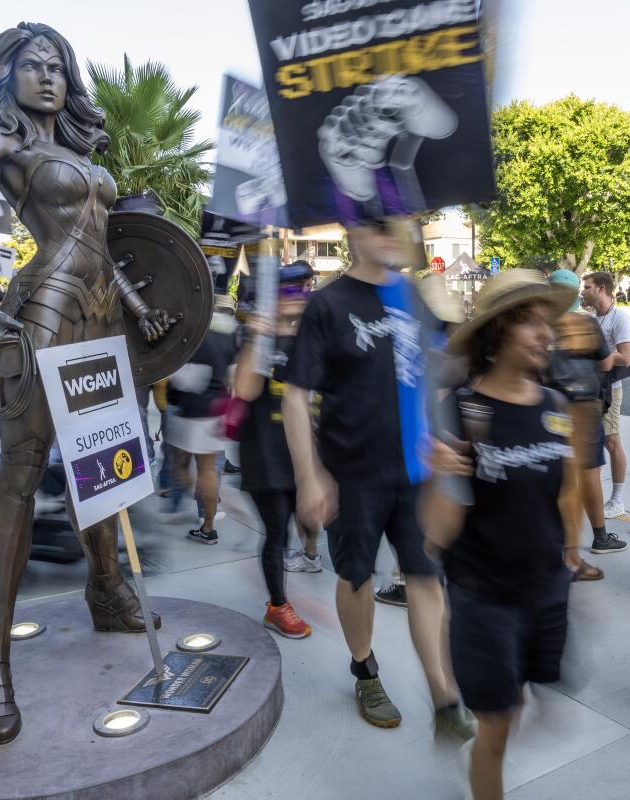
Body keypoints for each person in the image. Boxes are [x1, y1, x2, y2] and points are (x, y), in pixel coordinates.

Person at [0, 22, 171, 744]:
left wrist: (143, 309)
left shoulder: (76, 150)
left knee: (103, 464)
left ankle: (107, 591)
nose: (46, 77)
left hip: (105, 313)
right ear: (7, 77)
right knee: (21, 474)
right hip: (44, 309)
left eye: (56, 66)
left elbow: (103, 248)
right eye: (31, 66)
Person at [282, 217, 469, 736]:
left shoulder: (411, 293)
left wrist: (439, 428)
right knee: (357, 575)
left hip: (415, 471)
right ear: (356, 232)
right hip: (353, 473)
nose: (394, 235)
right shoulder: (328, 303)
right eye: (382, 226)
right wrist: (310, 475)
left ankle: (444, 695)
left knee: (426, 576)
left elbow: (435, 369)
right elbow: (296, 394)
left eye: (399, 225)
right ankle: (364, 667)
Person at [423, 269, 580, 800]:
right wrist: (441, 475)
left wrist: (572, 555)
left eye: (547, 324)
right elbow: (437, 534)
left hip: (545, 590)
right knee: (498, 725)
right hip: (484, 598)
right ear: (498, 334)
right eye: (530, 324)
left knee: (528, 696)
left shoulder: (556, 408)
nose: (546, 335)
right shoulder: (464, 413)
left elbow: (566, 487)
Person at [234, 260, 316, 638]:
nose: (297, 295)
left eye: (303, 286)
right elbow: (245, 391)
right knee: (277, 533)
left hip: (305, 457)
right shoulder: (257, 339)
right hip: (265, 456)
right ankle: (278, 606)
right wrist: (256, 336)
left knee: (309, 524)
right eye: (287, 289)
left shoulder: (311, 338)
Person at [546, 267, 621, 565]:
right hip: (584, 408)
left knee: (559, 475)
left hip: (550, 407)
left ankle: (560, 544)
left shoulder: (541, 324)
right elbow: (605, 364)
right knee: (589, 473)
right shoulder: (586, 323)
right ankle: (599, 537)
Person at [166, 294, 238, 544]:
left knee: (179, 466)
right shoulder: (231, 336)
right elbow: (233, 375)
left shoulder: (196, 334)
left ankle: (194, 493)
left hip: (190, 410)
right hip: (216, 411)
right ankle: (208, 525)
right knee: (209, 470)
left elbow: (183, 378)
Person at [580, 270, 630, 523]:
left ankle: (618, 499)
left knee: (612, 441)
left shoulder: (619, 317)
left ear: (601, 288)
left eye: (588, 287)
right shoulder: (594, 317)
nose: (584, 291)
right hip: (592, 389)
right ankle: (594, 493)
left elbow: (626, 357)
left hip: (609, 390)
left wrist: (601, 359)